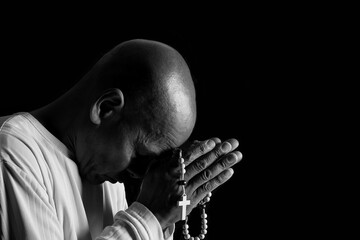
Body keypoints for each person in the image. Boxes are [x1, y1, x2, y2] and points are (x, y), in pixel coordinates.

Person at [0, 39, 242, 240]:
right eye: (140, 157)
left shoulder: (100, 164)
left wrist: (169, 215)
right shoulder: (12, 153)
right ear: (106, 108)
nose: (140, 175)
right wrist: (148, 218)